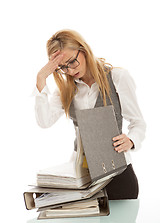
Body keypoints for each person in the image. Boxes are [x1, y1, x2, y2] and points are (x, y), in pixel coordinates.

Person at [32, 29, 146, 200]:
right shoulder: (65, 90)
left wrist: (131, 140)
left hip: (118, 175)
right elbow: (44, 121)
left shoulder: (118, 77)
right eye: (62, 67)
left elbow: (138, 123)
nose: (69, 71)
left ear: (83, 50)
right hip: (82, 177)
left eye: (72, 62)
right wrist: (41, 79)